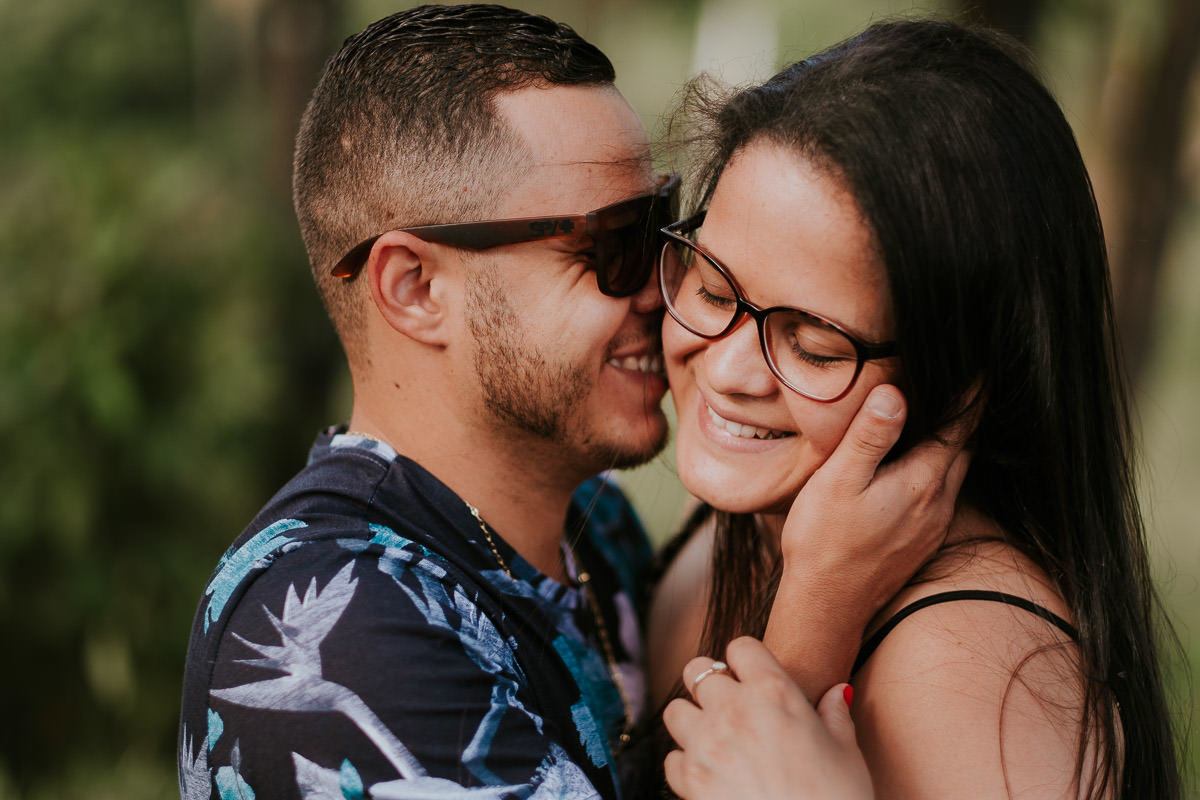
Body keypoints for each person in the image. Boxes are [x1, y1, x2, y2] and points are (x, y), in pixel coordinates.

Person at [177, 5, 966, 799]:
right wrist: (818, 608)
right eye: (615, 246)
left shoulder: (599, 531)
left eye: (668, 229)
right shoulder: (333, 634)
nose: (670, 291)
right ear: (416, 288)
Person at [651, 19, 1180, 799]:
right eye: (711, 290)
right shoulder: (733, 528)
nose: (727, 370)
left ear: (962, 382)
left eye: (815, 348)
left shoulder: (971, 662)